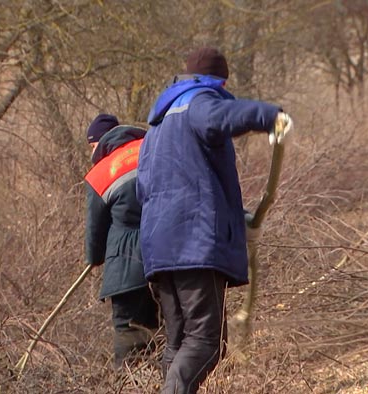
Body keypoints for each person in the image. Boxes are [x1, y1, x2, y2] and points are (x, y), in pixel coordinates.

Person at [136, 47, 292, 393]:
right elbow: (219, 118)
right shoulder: (198, 102)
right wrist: (270, 116)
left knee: (178, 342)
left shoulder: (156, 127)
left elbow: (151, 190)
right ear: (221, 80)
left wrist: (238, 219)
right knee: (206, 342)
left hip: (159, 245)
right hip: (193, 243)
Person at [84, 113, 160, 369]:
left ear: (99, 143)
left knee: (129, 341)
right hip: (169, 257)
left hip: (126, 271)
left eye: (92, 146)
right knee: (166, 335)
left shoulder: (100, 173)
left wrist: (94, 258)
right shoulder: (155, 147)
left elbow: (95, 234)